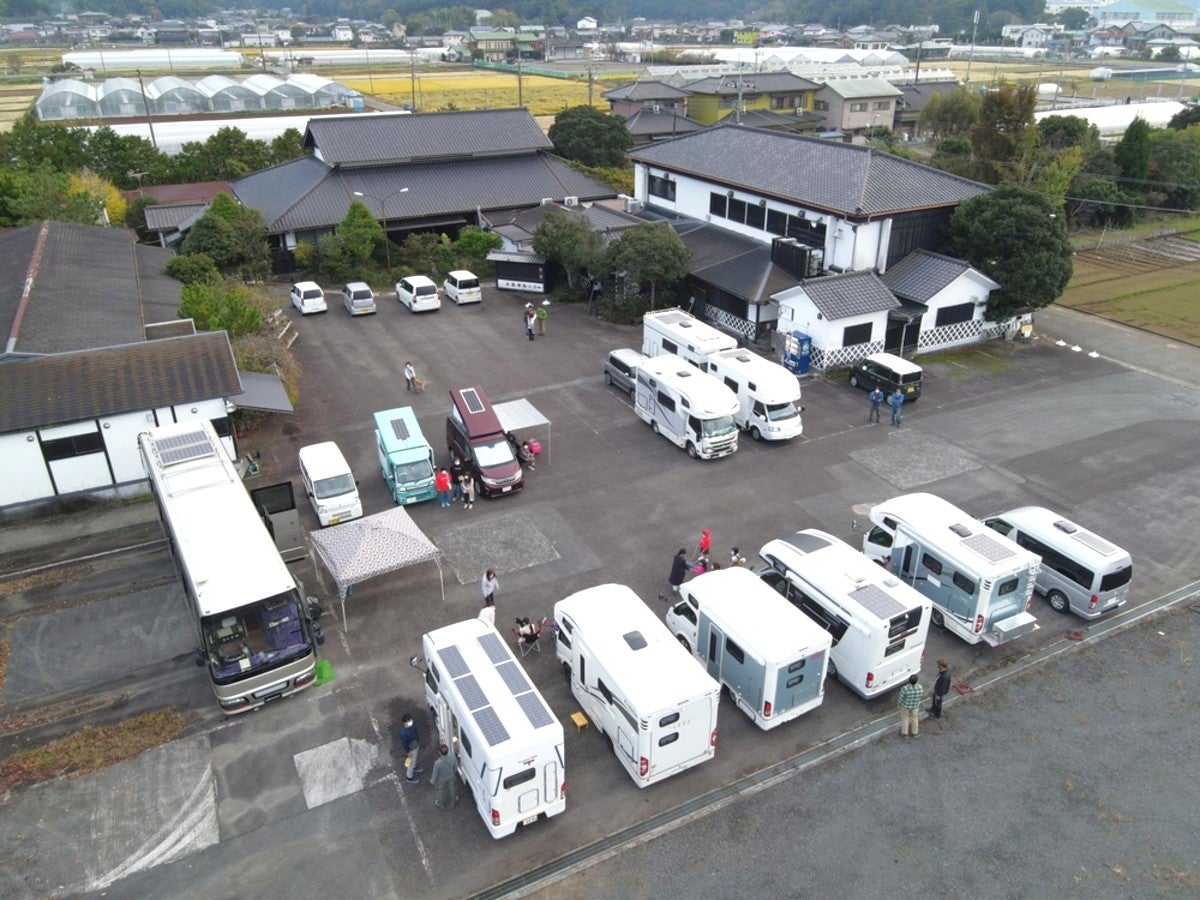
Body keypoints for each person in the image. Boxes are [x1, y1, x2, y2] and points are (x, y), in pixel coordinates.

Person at [431, 744, 457, 809]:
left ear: (440, 752)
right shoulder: (453, 757)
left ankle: (441, 804)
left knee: (440, 791)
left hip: (441, 779)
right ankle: (453, 802)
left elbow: (435, 774)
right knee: (452, 789)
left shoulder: (437, 763)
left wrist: (433, 781)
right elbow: (455, 768)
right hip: (451, 776)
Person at [398, 713, 422, 782]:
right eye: (409, 721)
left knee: (414, 759)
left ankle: (414, 767)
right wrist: (408, 751)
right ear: (404, 722)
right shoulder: (403, 732)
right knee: (411, 762)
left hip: (415, 744)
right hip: (411, 748)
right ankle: (409, 777)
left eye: (410, 720)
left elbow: (416, 732)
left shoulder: (412, 725)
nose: (410, 721)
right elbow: (404, 743)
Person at [898, 673, 924, 738]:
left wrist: (899, 704)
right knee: (915, 719)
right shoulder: (920, 687)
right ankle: (915, 733)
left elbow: (900, 698)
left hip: (905, 706)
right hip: (915, 706)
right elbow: (921, 695)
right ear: (917, 681)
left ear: (909, 680)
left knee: (905, 719)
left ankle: (904, 733)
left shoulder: (905, 688)